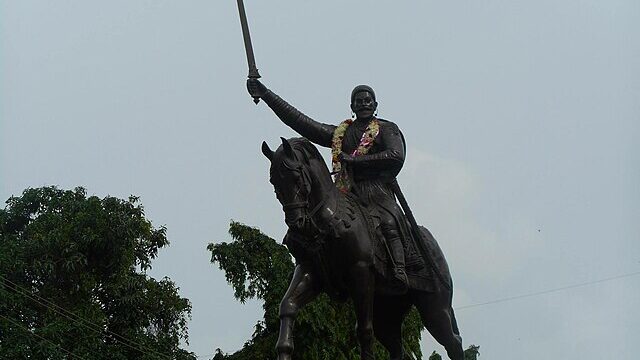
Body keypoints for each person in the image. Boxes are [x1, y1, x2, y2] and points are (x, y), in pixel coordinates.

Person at [247, 79, 410, 291]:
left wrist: (355, 160)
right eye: (358, 101)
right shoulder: (341, 134)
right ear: (352, 107)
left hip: (377, 191)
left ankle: (400, 269)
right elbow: (302, 123)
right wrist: (267, 95)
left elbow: (396, 155)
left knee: (389, 220)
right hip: (347, 191)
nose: (363, 104)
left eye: (368, 101)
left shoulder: (387, 129)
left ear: (375, 105)